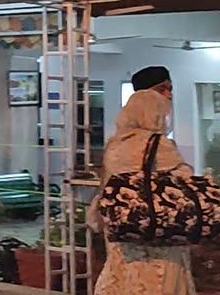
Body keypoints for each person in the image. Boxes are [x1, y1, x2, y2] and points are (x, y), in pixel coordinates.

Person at [92, 89, 196, 295]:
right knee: (160, 277)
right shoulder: (159, 145)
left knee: (123, 273)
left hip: (121, 223)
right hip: (157, 226)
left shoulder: (115, 144)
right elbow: (183, 179)